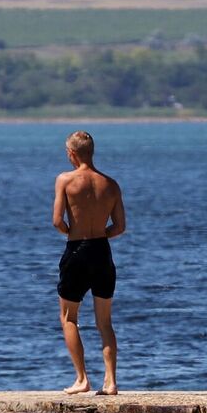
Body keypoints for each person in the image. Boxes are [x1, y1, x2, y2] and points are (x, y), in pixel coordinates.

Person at [50, 130, 127, 395]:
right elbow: (119, 227)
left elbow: (57, 220)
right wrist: (99, 235)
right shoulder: (111, 184)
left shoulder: (65, 180)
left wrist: (72, 232)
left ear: (71, 153)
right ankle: (111, 381)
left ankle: (82, 379)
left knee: (69, 317)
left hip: (77, 250)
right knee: (104, 321)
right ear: (91, 152)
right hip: (102, 252)